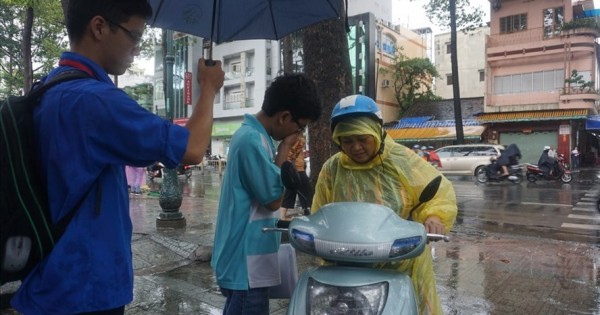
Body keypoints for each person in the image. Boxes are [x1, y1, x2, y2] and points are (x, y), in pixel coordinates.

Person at [10, 1, 225, 314]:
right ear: (99, 27)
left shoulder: (48, 89)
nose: (136, 49)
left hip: (48, 282)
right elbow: (192, 148)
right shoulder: (94, 100)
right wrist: (208, 88)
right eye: (134, 36)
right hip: (86, 288)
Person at [311, 95, 457, 315]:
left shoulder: (402, 160)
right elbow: (319, 211)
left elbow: (438, 191)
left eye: (362, 138)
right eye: (347, 140)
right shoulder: (332, 169)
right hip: (345, 261)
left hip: (400, 262)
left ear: (377, 132)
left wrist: (434, 216)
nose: (356, 147)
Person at [211, 73, 322, 315]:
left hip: (251, 260)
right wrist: (285, 149)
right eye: (300, 126)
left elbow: (271, 186)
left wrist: (282, 148)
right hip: (245, 264)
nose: (299, 133)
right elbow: (273, 200)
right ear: (284, 117)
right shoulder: (251, 140)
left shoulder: (258, 138)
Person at [280, 133, 313, 219]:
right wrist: (292, 168)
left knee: (290, 193)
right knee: (307, 192)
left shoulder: (296, 136)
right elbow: (290, 154)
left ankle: (280, 217)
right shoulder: (296, 137)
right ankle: (310, 215)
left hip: (296, 169)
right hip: (297, 170)